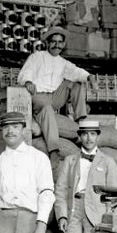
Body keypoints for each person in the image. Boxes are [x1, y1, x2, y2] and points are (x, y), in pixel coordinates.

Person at [17, 26, 91, 168]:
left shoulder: (63, 63)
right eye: (53, 41)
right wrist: (28, 82)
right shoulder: (37, 57)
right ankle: (54, 150)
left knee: (76, 82)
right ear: (47, 43)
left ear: (63, 44)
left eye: (59, 42)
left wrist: (89, 76)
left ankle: (81, 119)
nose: (56, 45)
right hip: (37, 96)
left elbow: (76, 72)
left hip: (55, 97)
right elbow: (25, 73)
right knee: (47, 108)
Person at [0, 112, 55, 233]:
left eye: (15, 126)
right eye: (6, 127)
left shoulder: (39, 158)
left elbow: (47, 193)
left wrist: (41, 225)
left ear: (23, 130)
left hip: (30, 220)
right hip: (2, 223)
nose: (10, 131)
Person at [54, 117, 117, 233]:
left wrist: (112, 220)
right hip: (73, 210)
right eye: (85, 134)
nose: (89, 138)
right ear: (80, 137)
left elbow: (115, 195)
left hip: (96, 212)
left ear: (98, 137)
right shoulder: (70, 160)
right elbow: (60, 190)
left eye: (92, 134)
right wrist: (62, 216)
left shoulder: (108, 162)